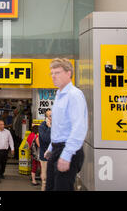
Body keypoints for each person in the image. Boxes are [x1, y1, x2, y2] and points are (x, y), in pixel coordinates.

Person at [44, 58, 88, 191]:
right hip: (57, 149)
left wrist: (66, 155)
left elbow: (79, 127)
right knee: (50, 187)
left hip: (68, 150)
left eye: (57, 72)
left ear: (69, 73)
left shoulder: (74, 95)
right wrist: (51, 147)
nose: (53, 76)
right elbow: (60, 127)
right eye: (51, 73)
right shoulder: (59, 95)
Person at [38, 109, 52, 191]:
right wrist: (49, 127)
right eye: (50, 116)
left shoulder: (56, 125)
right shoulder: (42, 127)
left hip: (54, 157)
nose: (52, 118)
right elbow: (47, 139)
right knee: (45, 180)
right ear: (46, 118)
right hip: (45, 158)